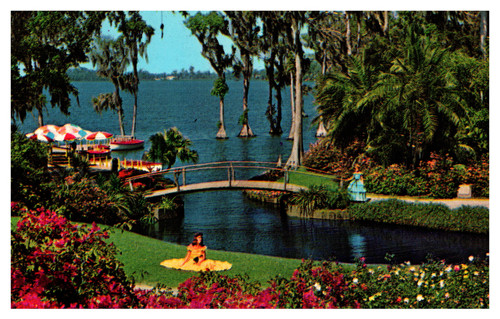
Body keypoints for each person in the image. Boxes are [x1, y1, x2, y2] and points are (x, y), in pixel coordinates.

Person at [160, 233, 232, 272]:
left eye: (201, 238)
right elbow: (188, 256)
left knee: (208, 263)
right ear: (196, 239)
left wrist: (200, 261)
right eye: (199, 238)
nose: (200, 239)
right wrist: (183, 262)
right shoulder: (191, 246)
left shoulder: (202, 247)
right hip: (192, 260)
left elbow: (204, 256)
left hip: (201, 260)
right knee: (189, 265)